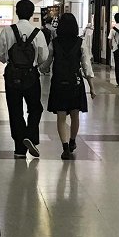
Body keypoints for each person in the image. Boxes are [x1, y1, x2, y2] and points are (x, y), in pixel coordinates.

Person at [0, 0, 49, 159]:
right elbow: (44, 56)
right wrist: (34, 64)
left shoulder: (7, 31)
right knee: (35, 108)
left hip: (12, 75)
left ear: (16, 12)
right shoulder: (37, 33)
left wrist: (9, 61)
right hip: (31, 75)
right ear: (32, 14)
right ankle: (30, 135)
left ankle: (19, 149)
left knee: (15, 110)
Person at [40, 13, 96, 160]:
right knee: (75, 114)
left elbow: (47, 62)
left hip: (58, 82)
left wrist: (42, 69)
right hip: (75, 83)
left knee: (61, 116)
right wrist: (92, 87)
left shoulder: (54, 42)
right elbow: (86, 65)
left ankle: (65, 147)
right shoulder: (80, 42)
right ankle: (72, 142)